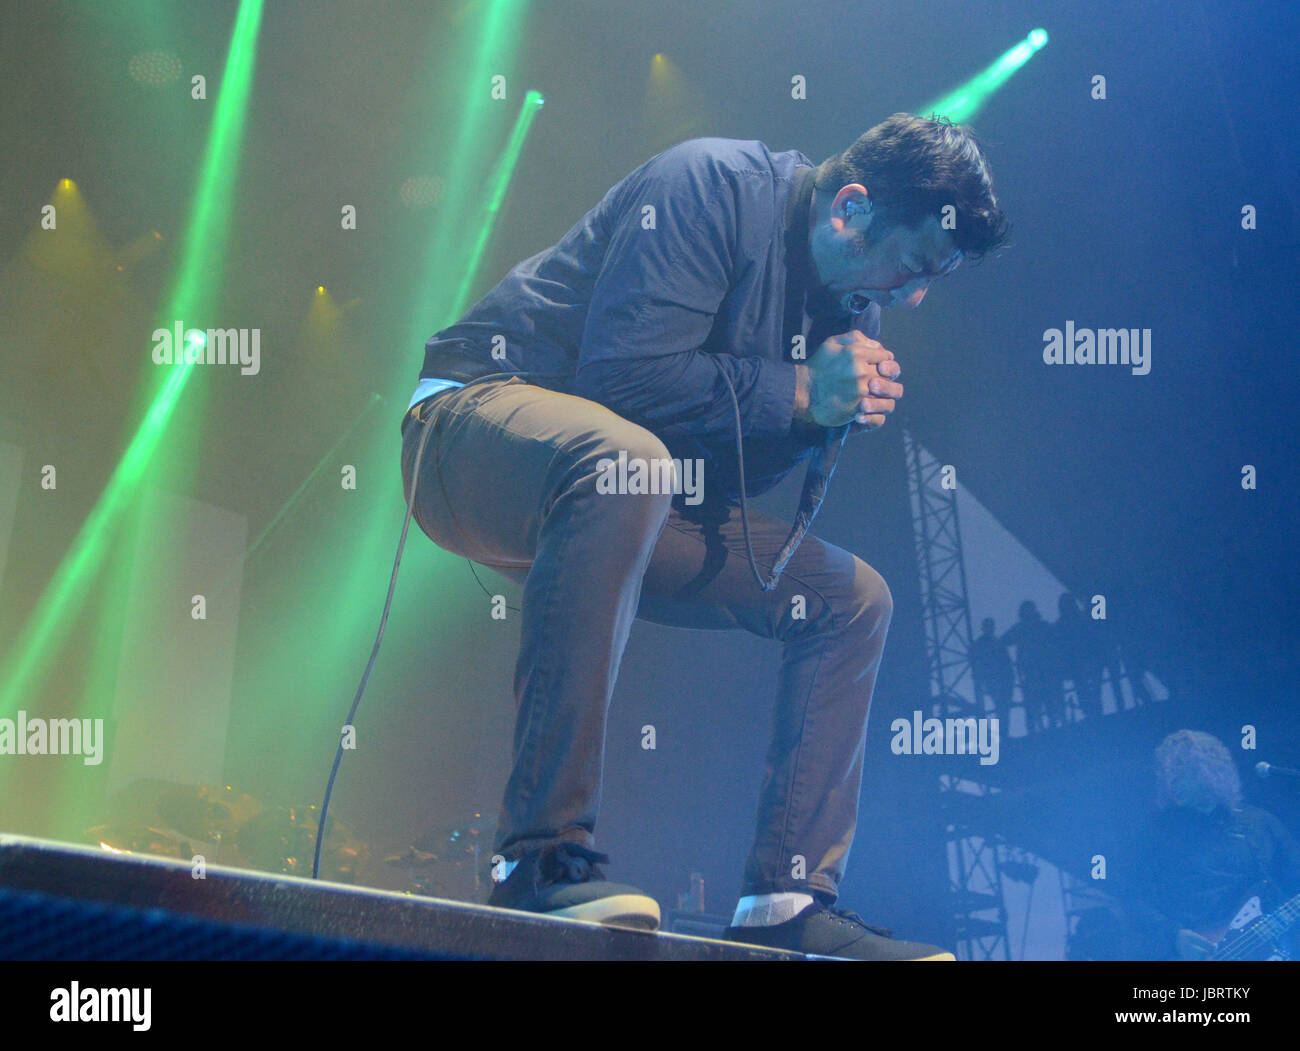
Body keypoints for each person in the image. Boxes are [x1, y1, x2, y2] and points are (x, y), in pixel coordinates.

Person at [399, 113, 1009, 960]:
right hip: (469, 428)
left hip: (625, 493)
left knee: (852, 599)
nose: (912, 296)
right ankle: (536, 860)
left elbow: (720, 476)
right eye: (913, 266)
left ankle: (787, 899)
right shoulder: (709, 186)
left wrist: (820, 414)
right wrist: (799, 392)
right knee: (629, 460)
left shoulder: (848, 309)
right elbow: (625, 378)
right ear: (853, 210)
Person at [1125, 730, 1300, 960]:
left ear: (1210, 772)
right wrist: (1173, 935)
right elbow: (1133, 898)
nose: (1172, 783)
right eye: (1168, 775)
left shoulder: (1258, 823)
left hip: (1269, 950)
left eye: (1181, 774)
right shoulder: (1157, 834)